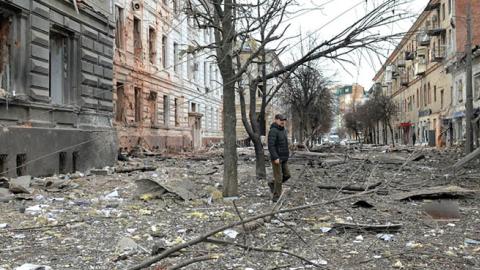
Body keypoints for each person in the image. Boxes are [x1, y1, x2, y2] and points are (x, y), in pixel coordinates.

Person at [267, 114, 291, 202]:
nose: (283, 121)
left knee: (287, 175)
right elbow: (271, 146)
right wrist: (275, 157)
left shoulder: (283, 130)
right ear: (276, 120)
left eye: (284, 120)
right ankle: (276, 197)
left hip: (284, 157)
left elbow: (284, 144)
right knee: (279, 178)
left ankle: (272, 184)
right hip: (277, 158)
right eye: (281, 119)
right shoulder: (273, 131)